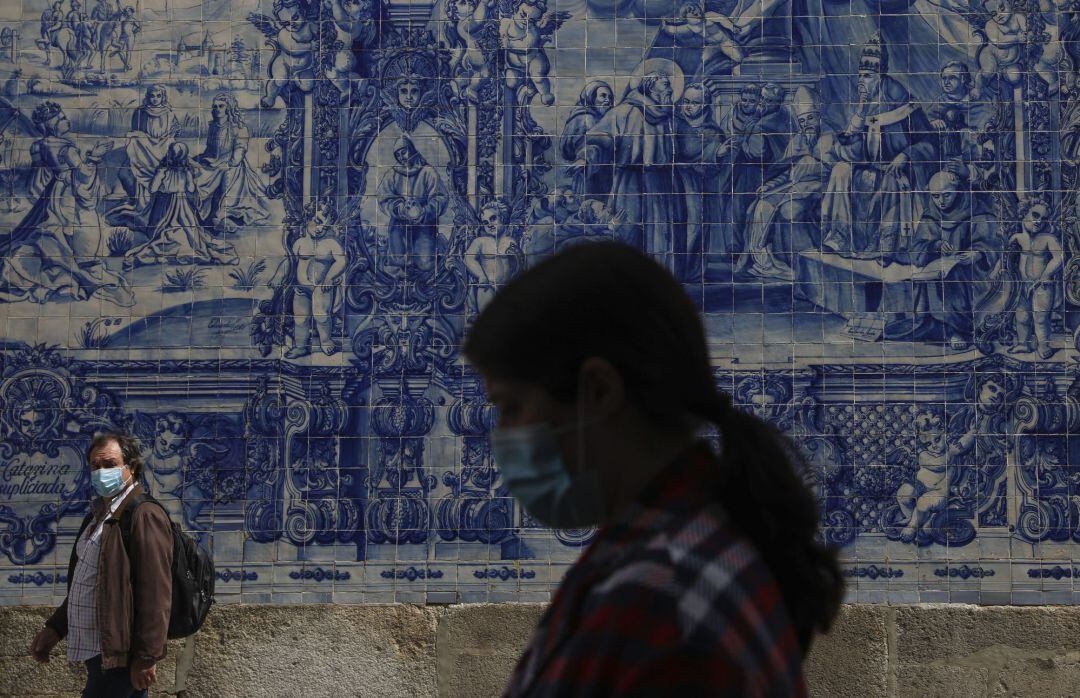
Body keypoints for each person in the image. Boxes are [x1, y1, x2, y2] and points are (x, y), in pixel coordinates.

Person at [464, 242, 843, 695]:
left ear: (599, 391)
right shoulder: (662, 552)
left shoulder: (665, 606)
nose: (501, 436)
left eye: (511, 407)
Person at [29, 432, 173, 697]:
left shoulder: (143, 514)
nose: (101, 472)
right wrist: (56, 628)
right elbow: (89, 583)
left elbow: (156, 594)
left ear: (131, 468)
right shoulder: (99, 515)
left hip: (119, 654)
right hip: (98, 650)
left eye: (109, 464)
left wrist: (147, 656)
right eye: (95, 466)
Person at [125, 142, 238, 269]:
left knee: (164, 233)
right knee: (189, 231)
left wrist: (161, 178)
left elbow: (152, 188)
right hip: (182, 207)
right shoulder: (186, 172)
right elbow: (190, 189)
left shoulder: (163, 171)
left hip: (164, 207)